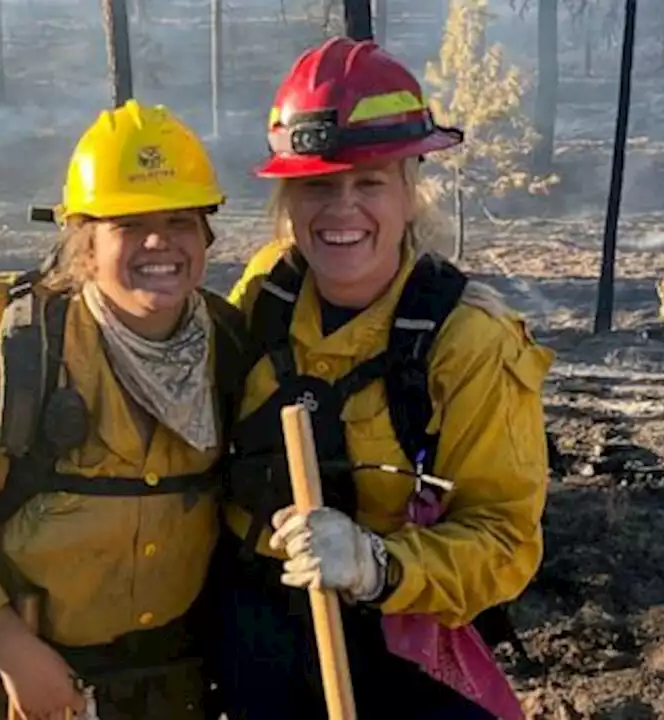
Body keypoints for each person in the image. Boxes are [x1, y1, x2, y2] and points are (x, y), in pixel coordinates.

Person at [211, 36, 553, 719]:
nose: (341, 210)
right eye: (317, 185)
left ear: (409, 190)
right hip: (253, 637)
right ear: (287, 197)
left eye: (368, 182)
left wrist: (375, 564)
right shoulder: (264, 297)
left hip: (397, 648)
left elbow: (505, 542)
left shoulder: (471, 342)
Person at [0, 99, 248, 720]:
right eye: (128, 224)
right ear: (86, 248)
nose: (160, 241)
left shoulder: (232, 352)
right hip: (24, 681)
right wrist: (17, 656)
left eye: (181, 221)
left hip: (172, 683)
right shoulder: (19, 370)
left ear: (206, 238)